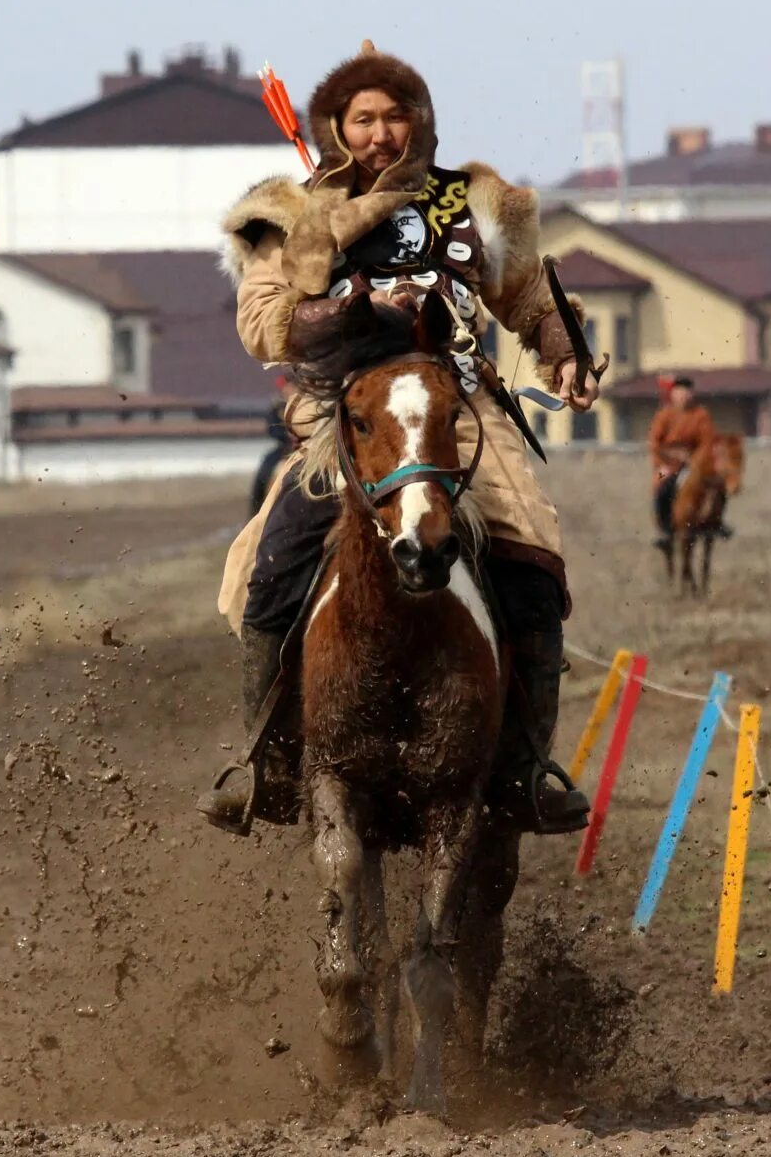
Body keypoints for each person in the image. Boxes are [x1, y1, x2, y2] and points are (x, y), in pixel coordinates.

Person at [200, 43, 596, 836]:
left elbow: (526, 293)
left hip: (458, 403)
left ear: (421, 121)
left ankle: (524, 767)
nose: (382, 133)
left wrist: (561, 347)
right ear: (336, 128)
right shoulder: (294, 211)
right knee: (274, 558)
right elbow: (265, 323)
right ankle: (265, 762)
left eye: (396, 115)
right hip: (345, 409)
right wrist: (345, 311)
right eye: (364, 119)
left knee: (532, 549)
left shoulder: (469, 202)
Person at [646, 375, 728, 548]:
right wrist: (664, 462)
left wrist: (694, 461)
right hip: (666, 465)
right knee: (660, 487)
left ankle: (716, 522)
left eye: (687, 392)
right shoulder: (664, 415)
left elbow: (707, 443)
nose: (683, 396)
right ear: (673, 394)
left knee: (718, 484)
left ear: (692, 394)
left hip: (694, 463)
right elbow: (654, 444)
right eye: (680, 392)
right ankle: (664, 529)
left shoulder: (701, 415)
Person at [249, 375, 294, 517]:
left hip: (304, 445)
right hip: (284, 447)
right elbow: (272, 429)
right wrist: (287, 437)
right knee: (265, 469)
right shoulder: (277, 406)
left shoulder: (302, 405)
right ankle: (255, 510)